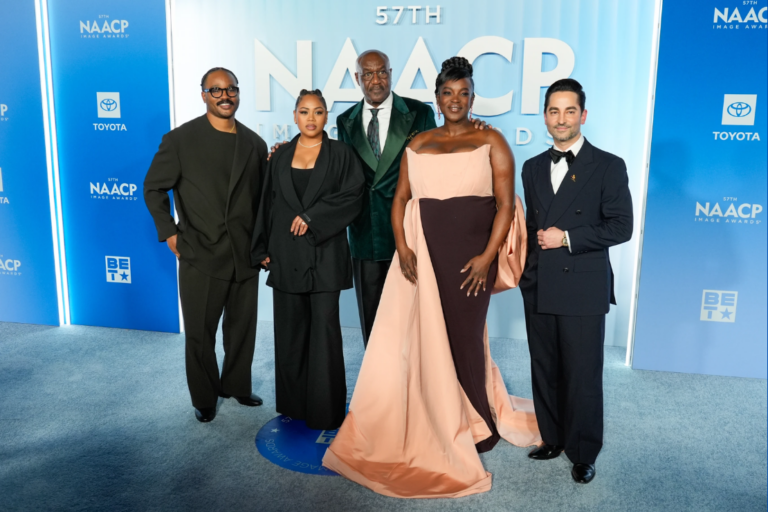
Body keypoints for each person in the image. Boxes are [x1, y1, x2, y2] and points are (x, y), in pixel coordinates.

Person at [323, 57, 541, 498]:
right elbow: (401, 198)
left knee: (465, 338)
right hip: (423, 259)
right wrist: (403, 249)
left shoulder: (493, 140)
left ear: (473, 98)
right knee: (423, 340)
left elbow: (504, 204)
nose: (455, 100)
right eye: (447, 93)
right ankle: (438, 415)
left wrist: (486, 257)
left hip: (469, 261)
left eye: (463, 93)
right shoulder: (419, 141)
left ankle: (477, 418)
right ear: (437, 98)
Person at [519, 78, 633, 484]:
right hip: (540, 283)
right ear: (545, 117)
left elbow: (622, 227)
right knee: (545, 367)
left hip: (582, 284)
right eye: (554, 111)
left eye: (570, 111)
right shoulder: (531, 167)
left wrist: (566, 238)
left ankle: (584, 451)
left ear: (583, 116)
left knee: (583, 373)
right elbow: (531, 226)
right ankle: (552, 437)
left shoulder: (608, 165)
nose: (561, 118)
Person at [336, 50, 490, 348]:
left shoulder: (419, 113)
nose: (376, 80)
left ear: (391, 73)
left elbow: (446, 154)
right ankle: (378, 386)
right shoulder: (345, 121)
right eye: (368, 74)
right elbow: (339, 168)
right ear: (357, 78)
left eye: (382, 72)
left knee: (417, 318)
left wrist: (477, 128)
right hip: (364, 231)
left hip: (414, 231)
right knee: (372, 318)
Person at [144, 67, 267, 423]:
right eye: (216, 90)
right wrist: (169, 230)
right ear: (203, 95)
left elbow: (261, 201)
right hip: (199, 251)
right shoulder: (180, 140)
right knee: (200, 333)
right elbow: (153, 188)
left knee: (242, 329)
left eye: (231, 89)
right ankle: (204, 396)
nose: (225, 96)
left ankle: (236, 385)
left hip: (244, 254)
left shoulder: (254, 144)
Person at [251, 89, 364, 430]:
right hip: (285, 256)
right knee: (289, 334)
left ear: (326, 116)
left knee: (325, 335)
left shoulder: (342, 154)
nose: (311, 118)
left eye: (317, 111)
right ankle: (293, 405)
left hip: (325, 256)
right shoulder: (280, 156)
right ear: (294, 116)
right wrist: (261, 249)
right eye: (304, 111)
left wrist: (314, 217)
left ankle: (325, 411)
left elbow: (353, 197)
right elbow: (267, 205)